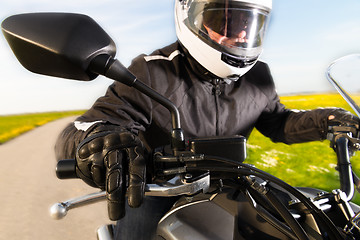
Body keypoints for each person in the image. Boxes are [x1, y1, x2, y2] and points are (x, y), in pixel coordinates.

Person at [55, 0, 359, 239]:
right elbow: (92, 124)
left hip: (236, 182)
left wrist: (330, 121)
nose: (239, 33)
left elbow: (277, 122)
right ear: (191, 17)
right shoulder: (152, 72)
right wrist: (100, 143)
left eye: (248, 22)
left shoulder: (258, 76)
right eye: (223, 20)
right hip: (161, 187)